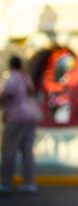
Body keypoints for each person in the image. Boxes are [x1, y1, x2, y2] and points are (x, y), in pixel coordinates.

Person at [0, 56, 40, 194]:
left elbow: (7, 95)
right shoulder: (26, 77)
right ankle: (29, 183)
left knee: (9, 150)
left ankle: (6, 182)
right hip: (31, 116)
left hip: (16, 117)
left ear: (10, 65)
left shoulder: (13, 78)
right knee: (27, 151)